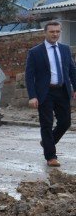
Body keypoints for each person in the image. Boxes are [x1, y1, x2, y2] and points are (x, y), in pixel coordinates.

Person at [25, 20, 76, 167]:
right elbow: (29, 76)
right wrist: (32, 96)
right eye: (52, 31)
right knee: (46, 123)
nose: (55, 34)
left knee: (65, 122)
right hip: (45, 92)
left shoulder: (65, 49)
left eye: (57, 31)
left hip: (62, 90)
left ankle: (47, 141)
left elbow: (72, 70)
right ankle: (51, 156)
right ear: (45, 32)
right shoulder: (35, 52)